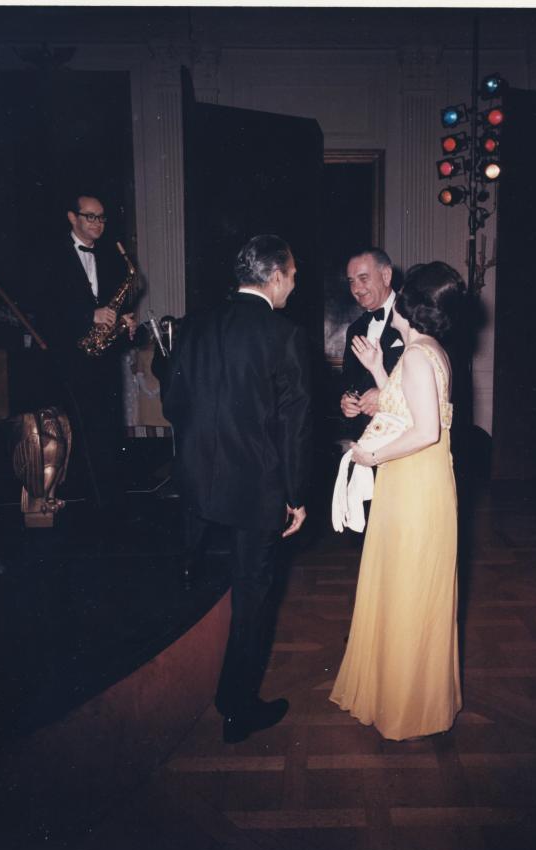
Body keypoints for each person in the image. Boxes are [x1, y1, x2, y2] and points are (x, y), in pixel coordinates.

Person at [162, 234, 312, 744]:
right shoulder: (284, 333)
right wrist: (294, 496)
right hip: (257, 488)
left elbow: (173, 400)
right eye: (292, 274)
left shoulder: (196, 325)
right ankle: (236, 708)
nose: (295, 282)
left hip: (197, 479)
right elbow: (294, 428)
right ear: (273, 277)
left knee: (189, 571)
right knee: (251, 599)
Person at [329, 261, 464, 741]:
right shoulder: (426, 351)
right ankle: (408, 697)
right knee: (406, 588)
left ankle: (408, 708)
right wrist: (374, 369)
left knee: (408, 590)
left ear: (408, 301)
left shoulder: (419, 356)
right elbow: (406, 406)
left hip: (413, 489)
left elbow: (425, 431)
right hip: (415, 484)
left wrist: (371, 457)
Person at [35, 193, 138, 510]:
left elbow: (114, 309)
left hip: (103, 360)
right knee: (75, 435)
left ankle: (108, 503)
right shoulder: (51, 256)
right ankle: (80, 504)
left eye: (102, 217)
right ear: (72, 218)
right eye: (90, 216)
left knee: (106, 432)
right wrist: (87, 315)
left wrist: (125, 324)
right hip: (67, 361)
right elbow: (42, 311)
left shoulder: (111, 259)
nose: (98, 223)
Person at [339, 248, 404, 440]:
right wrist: (346, 400)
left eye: (363, 278)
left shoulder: (413, 317)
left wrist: (385, 396)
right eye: (351, 281)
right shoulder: (355, 329)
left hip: (402, 437)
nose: (356, 289)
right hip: (364, 437)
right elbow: (350, 380)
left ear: (386, 275)